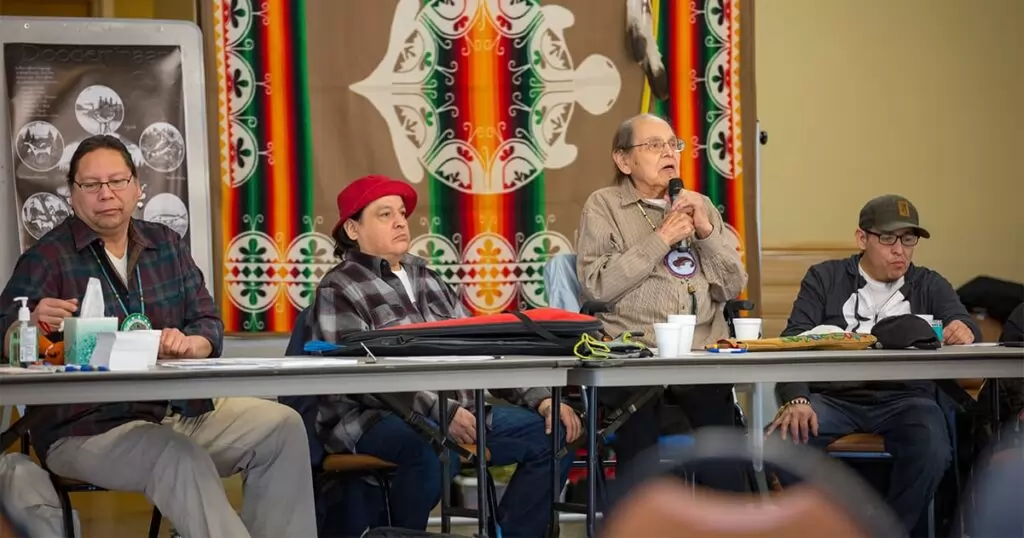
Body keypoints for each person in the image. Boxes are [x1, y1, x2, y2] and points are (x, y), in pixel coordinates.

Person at [0, 135, 316, 538]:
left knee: (282, 427)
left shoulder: (165, 244)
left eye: (117, 181)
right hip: (86, 430)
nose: (106, 194)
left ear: (136, 187)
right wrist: (25, 322)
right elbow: (4, 324)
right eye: (91, 185)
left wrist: (194, 344)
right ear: (71, 194)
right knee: (176, 456)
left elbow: (207, 323)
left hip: (177, 410)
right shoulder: (48, 257)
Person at [310, 175, 583, 538]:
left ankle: (510, 533)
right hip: (372, 417)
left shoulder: (428, 276)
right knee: (434, 448)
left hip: (456, 411)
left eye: (402, 213)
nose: (399, 221)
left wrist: (541, 400)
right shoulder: (339, 286)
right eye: (384, 214)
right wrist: (440, 410)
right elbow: (357, 374)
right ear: (352, 228)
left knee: (557, 432)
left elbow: (480, 348)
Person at [768, 194, 979, 535]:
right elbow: (794, 339)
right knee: (781, 444)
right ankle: (829, 526)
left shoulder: (928, 283)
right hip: (834, 398)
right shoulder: (825, 278)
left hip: (907, 400)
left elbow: (965, 323)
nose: (901, 250)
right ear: (862, 238)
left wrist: (963, 329)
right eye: (888, 238)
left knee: (934, 450)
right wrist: (797, 398)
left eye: (909, 239)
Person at [575, 114, 749, 489]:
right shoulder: (604, 205)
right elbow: (597, 287)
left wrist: (705, 233)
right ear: (623, 160)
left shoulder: (698, 203)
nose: (668, 153)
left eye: (673, 144)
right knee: (641, 447)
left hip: (700, 353)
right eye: (654, 145)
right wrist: (661, 238)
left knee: (723, 452)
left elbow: (732, 286)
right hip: (634, 355)